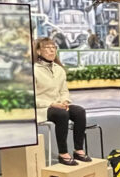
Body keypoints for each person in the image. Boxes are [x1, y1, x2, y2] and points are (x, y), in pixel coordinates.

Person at [33, 37, 91, 165]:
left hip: (58, 105)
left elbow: (64, 91)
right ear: (38, 51)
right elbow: (30, 97)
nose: (52, 50)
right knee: (62, 114)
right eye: (47, 48)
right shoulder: (33, 70)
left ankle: (78, 150)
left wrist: (65, 101)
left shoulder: (59, 69)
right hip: (42, 108)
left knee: (79, 111)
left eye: (53, 48)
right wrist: (51, 104)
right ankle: (63, 153)